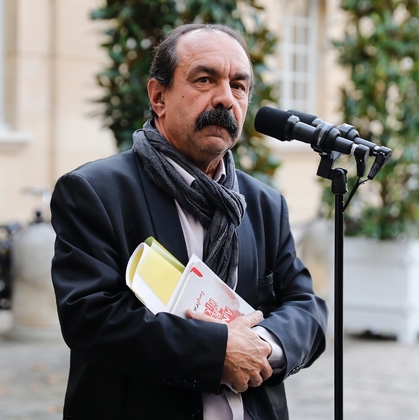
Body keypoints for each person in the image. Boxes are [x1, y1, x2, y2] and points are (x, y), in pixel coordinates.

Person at [50, 23, 328, 420]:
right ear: (158, 96)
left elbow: (306, 307)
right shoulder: (96, 192)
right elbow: (90, 319)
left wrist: (264, 345)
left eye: (239, 86)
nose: (225, 99)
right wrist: (217, 352)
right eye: (204, 79)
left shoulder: (265, 203)